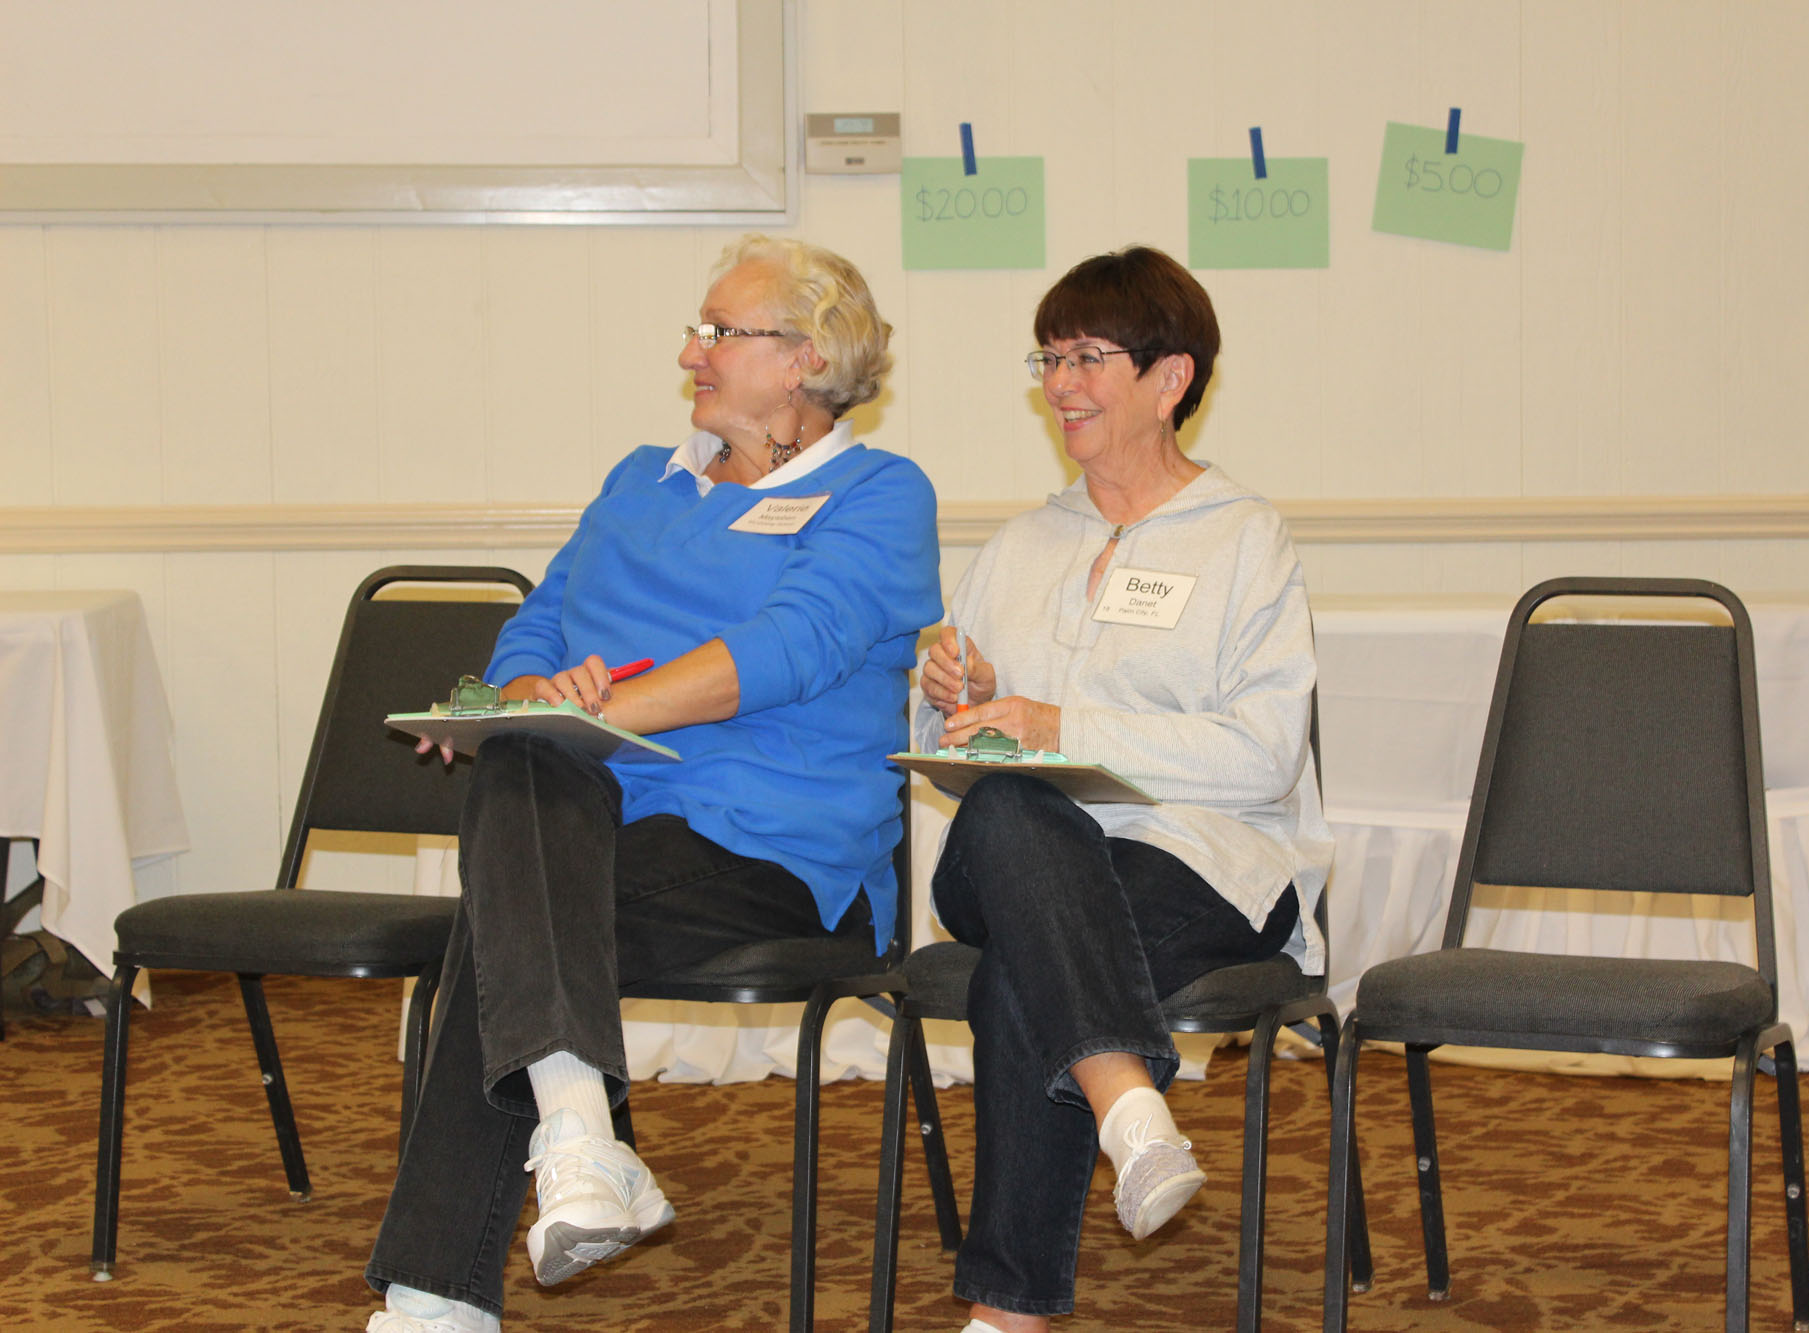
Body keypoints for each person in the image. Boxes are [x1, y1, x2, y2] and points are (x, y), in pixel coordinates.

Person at [362, 235, 942, 1332]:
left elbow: (787, 648)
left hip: (772, 852)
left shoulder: (878, 493)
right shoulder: (641, 480)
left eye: (720, 332)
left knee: (504, 920)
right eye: (697, 329)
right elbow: (538, 623)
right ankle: (581, 1138)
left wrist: (586, 714)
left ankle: (441, 1290)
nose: (690, 352)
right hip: (589, 823)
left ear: (807, 358)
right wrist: (528, 694)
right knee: (526, 767)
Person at [913, 246, 1331, 1333]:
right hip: (1010, 853)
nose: (1060, 385)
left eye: (1088, 357)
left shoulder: (1243, 539)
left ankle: (1004, 1316)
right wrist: (956, 699)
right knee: (1013, 808)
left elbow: (1263, 756)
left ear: (1170, 378)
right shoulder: (1019, 546)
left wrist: (1061, 727)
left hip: (1203, 860)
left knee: (1025, 966)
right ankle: (1130, 1103)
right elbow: (948, 753)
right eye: (1049, 359)